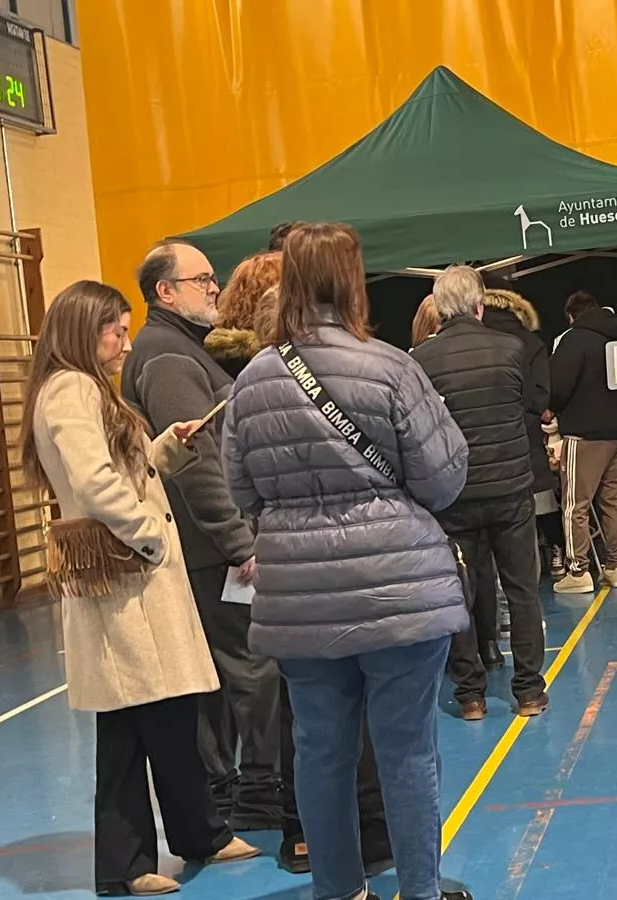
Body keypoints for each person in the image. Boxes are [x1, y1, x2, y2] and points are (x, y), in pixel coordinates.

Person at [222, 222, 473, 900]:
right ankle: (417, 889)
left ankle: (338, 890)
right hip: (399, 591)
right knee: (407, 751)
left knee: (320, 750)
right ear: (353, 281)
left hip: (301, 598)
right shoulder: (392, 366)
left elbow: (240, 490)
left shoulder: (252, 381)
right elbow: (445, 478)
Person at [19, 280, 258, 897]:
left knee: (165, 714)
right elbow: (95, 485)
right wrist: (151, 535)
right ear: (83, 329)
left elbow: (121, 470)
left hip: (133, 578)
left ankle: (194, 833)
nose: (124, 343)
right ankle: (126, 863)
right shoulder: (71, 387)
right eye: (114, 332)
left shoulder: (80, 386)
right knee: (135, 721)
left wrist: (164, 452)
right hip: (126, 579)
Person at [208, 249, 393, 878]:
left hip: (277, 563)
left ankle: (302, 836)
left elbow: (238, 481)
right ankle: (346, 838)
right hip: (317, 563)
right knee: (339, 718)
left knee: (300, 716)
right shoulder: (359, 365)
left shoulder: (236, 372)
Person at [123, 240, 277, 831]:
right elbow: (197, 460)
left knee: (232, 671)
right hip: (216, 550)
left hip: (216, 545)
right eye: (202, 278)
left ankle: (237, 789)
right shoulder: (166, 358)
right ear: (166, 291)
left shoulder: (183, 349)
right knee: (250, 669)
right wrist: (241, 543)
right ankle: (255, 793)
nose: (215, 287)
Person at [411, 265, 549, 721]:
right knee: (523, 591)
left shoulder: (421, 360)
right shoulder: (512, 348)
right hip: (511, 489)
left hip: (455, 496)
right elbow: (529, 405)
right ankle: (529, 691)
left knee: (459, 594)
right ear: (480, 304)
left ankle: (470, 694)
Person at [480, 275, 566, 576]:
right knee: (541, 500)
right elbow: (542, 394)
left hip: (480, 442)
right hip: (525, 437)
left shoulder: (470, 339)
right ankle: (557, 552)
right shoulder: (530, 341)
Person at [548, 291, 617, 593]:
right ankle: (615, 567)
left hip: (583, 433)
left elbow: (557, 387)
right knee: (614, 500)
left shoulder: (574, 339)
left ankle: (578, 571)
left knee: (575, 504)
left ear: (571, 315)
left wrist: (552, 409)